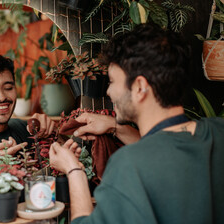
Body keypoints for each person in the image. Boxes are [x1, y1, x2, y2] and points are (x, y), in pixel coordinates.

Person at [49, 24, 224, 223]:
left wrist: (74, 170)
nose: (108, 92)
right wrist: (114, 125)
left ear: (140, 87)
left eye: (113, 81)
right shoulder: (218, 132)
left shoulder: (129, 165)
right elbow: (166, 150)